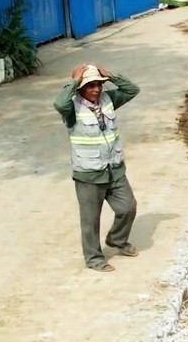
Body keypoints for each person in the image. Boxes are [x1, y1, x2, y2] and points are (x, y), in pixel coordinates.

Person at [53, 63, 142, 272]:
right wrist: (74, 80)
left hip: (114, 169)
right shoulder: (71, 108)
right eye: (90, 86)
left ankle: (117, 240)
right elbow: (58, 103)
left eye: (99, 85)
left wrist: (110, 75)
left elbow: (132, 90)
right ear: (79, 88)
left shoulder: (108, 100)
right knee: (90, 220)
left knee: (128, 207)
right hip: (89, 174)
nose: (96, 89)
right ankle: (94, 259)